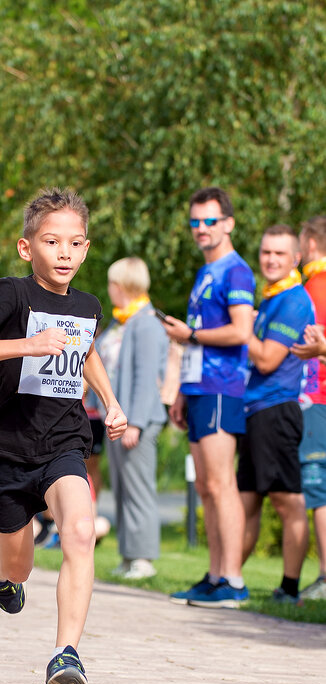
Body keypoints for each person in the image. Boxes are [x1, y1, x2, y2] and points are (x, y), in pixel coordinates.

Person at [0, 187, 127, 684]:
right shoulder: (11, 294)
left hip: (64, 443)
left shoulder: (89, 305)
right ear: (29, 248)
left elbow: (86, 350)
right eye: (52, 242)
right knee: (19, 568)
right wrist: (28, 342)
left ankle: (65, 655)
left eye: (74, 243)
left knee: (78, 531)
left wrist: (110, 401)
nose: (65, 253)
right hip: (7, 450)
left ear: (87, 249)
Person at [162, 186, 255, 607]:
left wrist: (191, 334)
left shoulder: (236, 270)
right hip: (199, 388)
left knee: (222, 484)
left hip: (224, 389)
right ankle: (215, 575)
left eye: (210, 221)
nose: (201, 229)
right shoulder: (206, 273)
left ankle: (233, 581)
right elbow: (193, 342)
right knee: (205, 487)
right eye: (195, 222)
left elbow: (241, 332)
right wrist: (181, 390)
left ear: (229, 224)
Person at [237, 225, 314, 602]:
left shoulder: (294, 300)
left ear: (295, 259)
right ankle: (226, 579)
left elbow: (267, 359)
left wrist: (241, 329)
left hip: (277, 410)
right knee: (245, 504)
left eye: (279, 254)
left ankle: (289, 588)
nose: (270, 260)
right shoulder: (270, 298)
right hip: (254, 410)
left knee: (288, 501)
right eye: (266, 252)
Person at [97, 257, 168, 579]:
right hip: (116, 419)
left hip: (137, 419)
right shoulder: (121, 322)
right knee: (123, 489)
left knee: (138, 488)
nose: (110, 289)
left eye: (113, 282)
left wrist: (136, 422)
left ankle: (143, 558)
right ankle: (128, 555)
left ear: (123, 285)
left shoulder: (146, 322)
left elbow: (146, 377)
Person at [291, 216, 326, 600]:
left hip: (315, 399)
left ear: (312, 247)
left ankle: (325, 578)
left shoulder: (313, 289)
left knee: (318, 491)